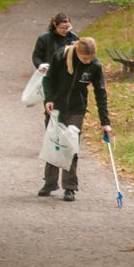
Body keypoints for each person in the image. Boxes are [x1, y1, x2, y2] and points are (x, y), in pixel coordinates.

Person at [39, 36, 112, 201]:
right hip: (56, 107)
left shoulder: (94, 66)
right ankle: (50, 183)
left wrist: (105, 122)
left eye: (91, 58)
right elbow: (48, 80)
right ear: (78, 52)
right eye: (85, 58)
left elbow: (100, 92)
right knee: (54, 144)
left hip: (76, 109)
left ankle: (70, 186)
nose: (88, 61)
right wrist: (48, 99)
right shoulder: (61, 57)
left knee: (70, 145)